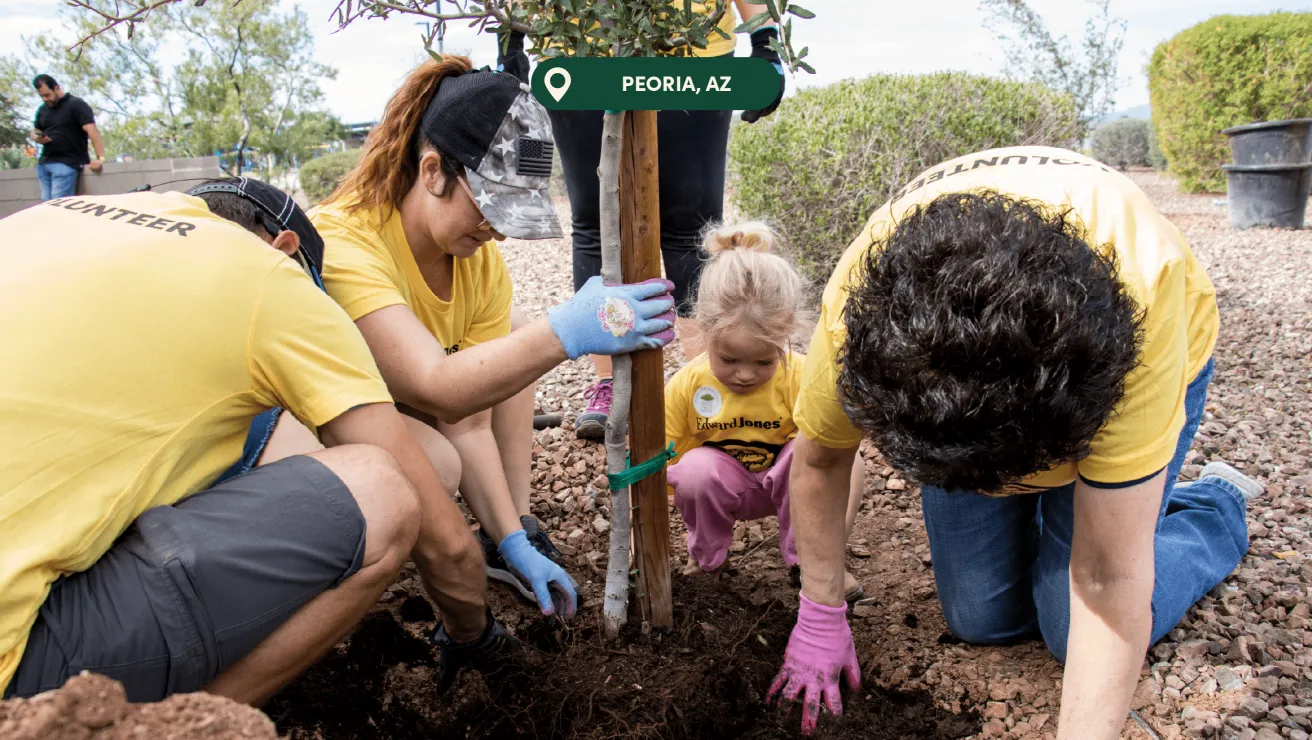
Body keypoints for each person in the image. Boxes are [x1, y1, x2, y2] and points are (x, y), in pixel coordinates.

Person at [774, 146, 1256, 737]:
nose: (1002, 491)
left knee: (1065, 622)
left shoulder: (1142, 327)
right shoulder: (860, 318)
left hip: (1121, 346)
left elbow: (1107, 577)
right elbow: (820, 460)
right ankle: (1084, 523)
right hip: (973, 394)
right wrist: (820, 610)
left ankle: (1214, 507)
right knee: (981, 617)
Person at [0, 178, 508, 703]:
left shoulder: (52, 219)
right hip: (19, 669)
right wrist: (475, 631)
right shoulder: (268, 276)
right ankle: (189, 725)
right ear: (286, 248)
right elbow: (445, 542)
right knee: (387, 490)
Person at [273, 57, 678, 619]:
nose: (496, 229)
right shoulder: (345, 243)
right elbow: (438, 389)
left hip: (393, 398)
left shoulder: (476, 259)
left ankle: (507, 533)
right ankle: (338, 583)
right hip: (293, 421)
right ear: (433, 169)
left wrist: (510, 537)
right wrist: (571, 330)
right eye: (489, 207)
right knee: (435, 462)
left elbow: (471, 419)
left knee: (510, 342)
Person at [495, 1, 788, 441]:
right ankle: (610, 384)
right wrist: (511, 36)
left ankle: (703, 378)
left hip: (694, 48)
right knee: (596, 221)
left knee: (693, 225)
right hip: (576, 49)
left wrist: (765, 41)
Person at [664, 222, 863, 603]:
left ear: (786, 337)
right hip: (724, 488)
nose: (744, 373)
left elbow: (831, 452)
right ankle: (707, 561)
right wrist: (642, 536)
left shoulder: (802, 376)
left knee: (845, 458)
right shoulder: (688, 385)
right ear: (704, 330)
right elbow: (656, 459)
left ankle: (810, 561)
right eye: (729, 359)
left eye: (763, 361)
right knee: (693, 469)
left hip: (793, 486)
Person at [31, 74, 104, 201]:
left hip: (66, 163)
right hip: (45, 164)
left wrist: (100, 158)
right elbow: (37, 129)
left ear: (56, 88)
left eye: (47, 95)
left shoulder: (76, 104)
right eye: (42, 96)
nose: (45, 99)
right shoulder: (43, 110)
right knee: (44, 209)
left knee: (58, 208)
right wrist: (36, 136)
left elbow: (92, 130)